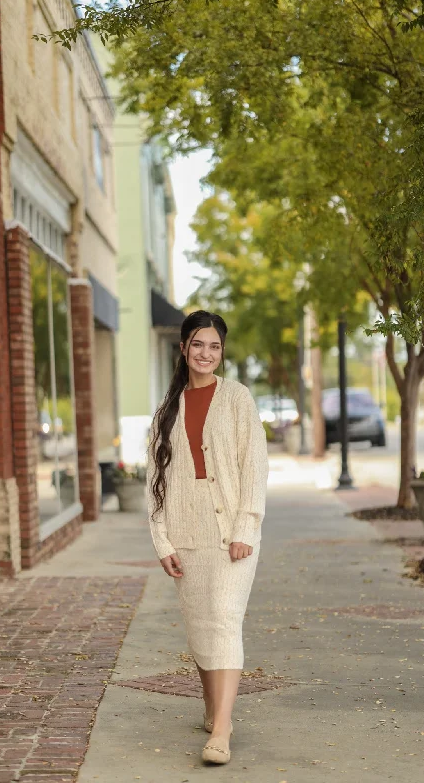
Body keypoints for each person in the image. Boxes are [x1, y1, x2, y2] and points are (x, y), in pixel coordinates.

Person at [146, 310, 269, 765]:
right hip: (185, 529)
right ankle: (211, 706)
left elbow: (254, 467)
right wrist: (162, 540)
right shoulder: (168, 407)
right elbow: (154, 479)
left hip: (230, 531)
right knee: (201, 622)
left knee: (224, 617)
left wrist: (244, 528)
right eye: (198, 344)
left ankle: (222, 728)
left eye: (214, 346)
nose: (206, 353)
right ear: (183, 349)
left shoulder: (237, 398)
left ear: (222, 351)